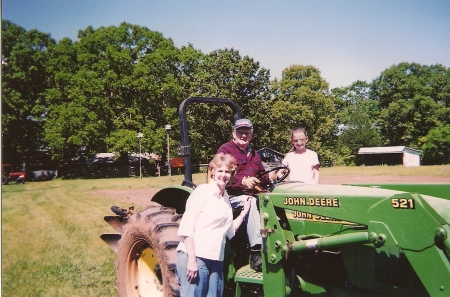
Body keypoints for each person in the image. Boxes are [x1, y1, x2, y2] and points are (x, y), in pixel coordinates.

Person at [176, 153, 250, 297]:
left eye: (227, 171)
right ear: (213, 172)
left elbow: (229, 230)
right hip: (196, 256)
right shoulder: (202, 192)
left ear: (232, 174)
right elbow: (186, 228)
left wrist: (244, 213)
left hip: (216, 259)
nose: (224, 175)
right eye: (220, 170)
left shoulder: (225, 197)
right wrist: (192, 261)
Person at [217, 118, 274, 272]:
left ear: (251, 134)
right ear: (233, 133)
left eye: (246, 132)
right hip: (229, 195)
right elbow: (220, 175)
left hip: (252, 193)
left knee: (272, 200)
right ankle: (256, 252)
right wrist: (242, 181)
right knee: (249, 200)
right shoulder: (225, 150)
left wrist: (274, 176)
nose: (243, 135)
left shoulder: (254, 154)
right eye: (240, 132)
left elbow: (263, 175)